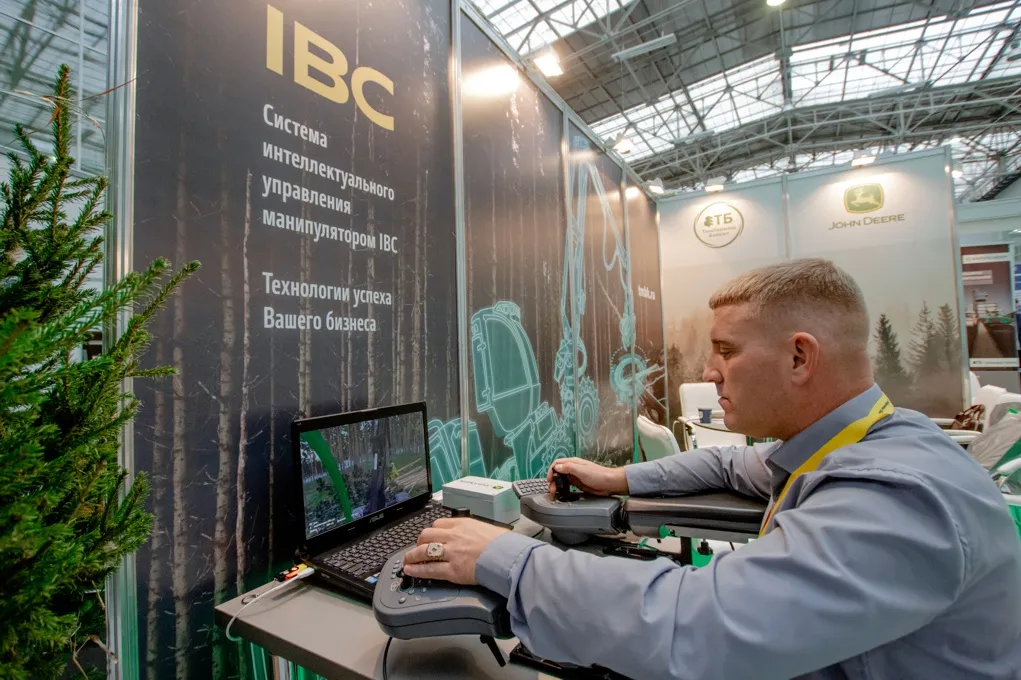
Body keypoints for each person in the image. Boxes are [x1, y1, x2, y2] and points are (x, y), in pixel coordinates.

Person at [403, 259, 1021, 679]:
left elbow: (700, 625)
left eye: (726, 350)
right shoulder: (846, 442)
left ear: (800, 357)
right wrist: (620, 479)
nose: (709, 372)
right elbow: (729, 463)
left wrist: (505, 558)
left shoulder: (899, 496)